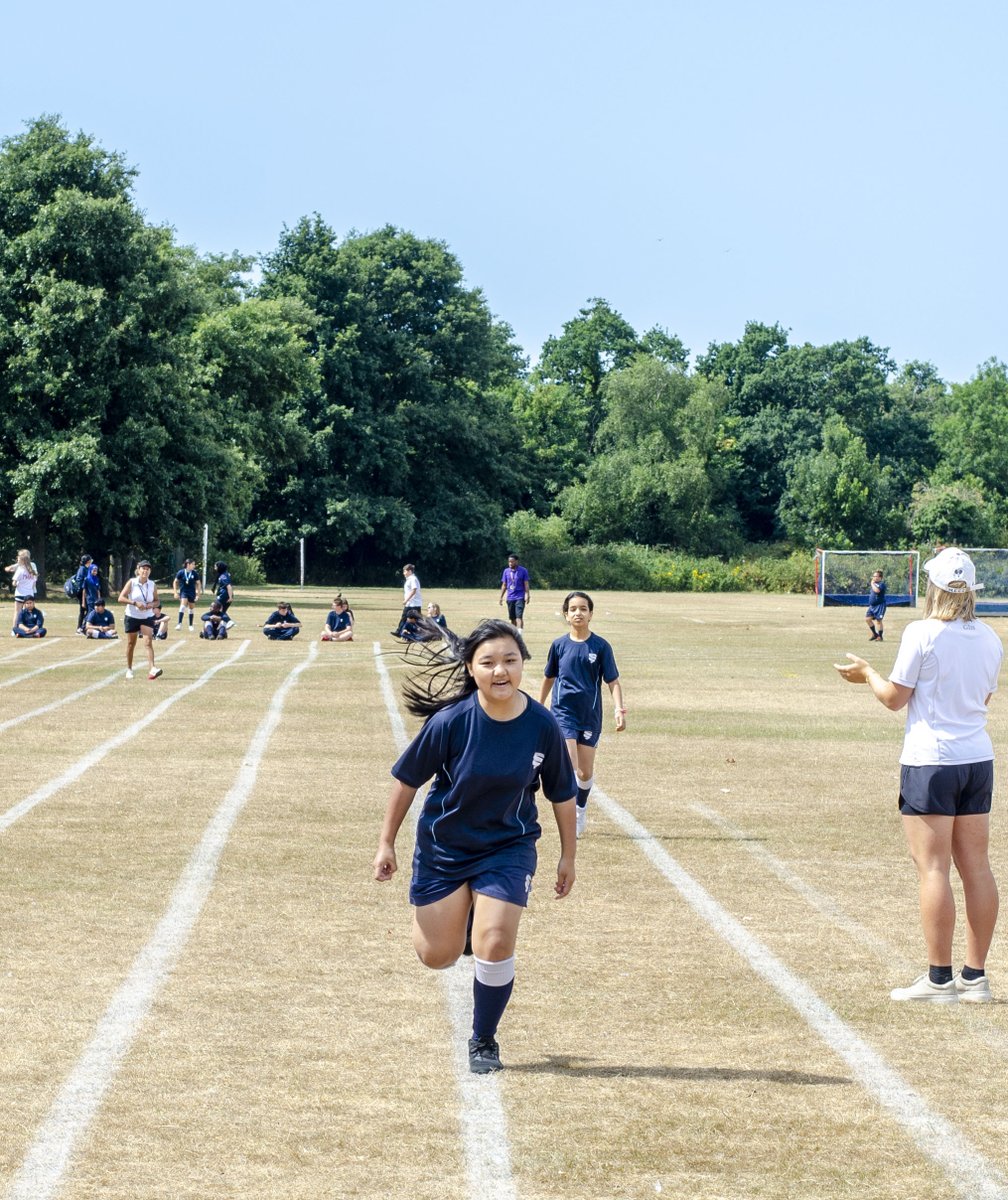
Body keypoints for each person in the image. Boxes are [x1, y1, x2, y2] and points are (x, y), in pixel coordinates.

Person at [373, 618, 577, 1074]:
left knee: (497, 940)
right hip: (445, 847)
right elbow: (407, 781)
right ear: (471, 667)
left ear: (523, 663)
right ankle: (463, 924)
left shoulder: (543, 725)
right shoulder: (451, 721)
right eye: (488, 662)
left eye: (510, 660)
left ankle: (484, 1039)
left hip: (509, 845)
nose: (500, 670)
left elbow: (561, 793)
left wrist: (568, 855)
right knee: (437, 956)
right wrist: (386, 843)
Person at [835, 547, 1003, 1003]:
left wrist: (867, 673)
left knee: (933, 869)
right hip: (976, 759)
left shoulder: (921, 633)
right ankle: (975, 977)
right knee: (977, 869)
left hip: (931, 762)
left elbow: (894, 698)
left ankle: (939, 978)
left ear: (933, 589)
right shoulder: (991, 638)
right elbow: (980, 702)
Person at [539, 591, 626, 838]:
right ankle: (569, 820)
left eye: (583, 608)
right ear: (566, 615)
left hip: (589, 717)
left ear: (590, 614)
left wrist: (619, 709)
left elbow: (613, 681)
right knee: (570, 765)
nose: (578, 612)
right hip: (563, 713)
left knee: (584, 773)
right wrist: (538, 705)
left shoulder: (600, 646)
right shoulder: (558, 645)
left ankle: (580, 808)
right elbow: (549, 677)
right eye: (573, 609)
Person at [117, 559, 163, 681]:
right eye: (143, 569)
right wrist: (134, 603)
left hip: (147, 616)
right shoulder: (132, 582)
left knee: (148, 642)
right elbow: (120, 598)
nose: (145, 571)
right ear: (138, 570)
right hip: (132, 616)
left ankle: (152, 668)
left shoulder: (152, 584)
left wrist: (152, 604)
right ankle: (129, 669)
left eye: (148, 569)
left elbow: (157, 600)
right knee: (131, 643)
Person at [7, 549, 37, 632]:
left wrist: (16, 584)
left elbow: (14, 582)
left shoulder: (20, 569)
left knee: (17, 612)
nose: (17, 559)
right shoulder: (33, 569)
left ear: (22, 560)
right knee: (27, 612)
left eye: (19, 558)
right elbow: (34, 581)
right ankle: (26, 629)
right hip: (29, 594)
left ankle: (14, 630)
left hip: (20, 593)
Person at [498, 553, 531, 631]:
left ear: (516, 562)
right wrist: (501, 597)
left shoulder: (523, 570)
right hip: (510, 597)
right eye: (509, 562)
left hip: (520, 597)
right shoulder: (506, 571)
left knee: (519, 617)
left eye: (512, 562)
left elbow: (526, 584)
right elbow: (504, 585)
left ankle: (519, 635)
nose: (510, 563)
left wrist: (527, 595)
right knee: (512, 619)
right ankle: (514, 634)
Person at [391, 564, 422, 638]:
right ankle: (399, 632)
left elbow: (414, 590)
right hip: (409, 604)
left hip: (414, 604)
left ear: (410, 571)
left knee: (416, 621)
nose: (403, 573)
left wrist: (406, 600)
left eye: (405, 571)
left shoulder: (413, 579)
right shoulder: (409, 579)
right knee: (404, 617)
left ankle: (422, 634)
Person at [173, 557, 202, 632]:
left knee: (191, 608)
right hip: (184, 592)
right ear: (188, 564)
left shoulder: (194, 573)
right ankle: (179, 624)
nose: (194, 566)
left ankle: (191, 625)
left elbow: (198, 583)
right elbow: (175, 582)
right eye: (193, 564)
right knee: (183, 605)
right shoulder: (181, 572)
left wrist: (198, 594)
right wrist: (175, 592)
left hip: (192, 593)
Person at [73, 555, 93, 634]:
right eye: (90, 560)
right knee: (84, 610)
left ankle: (81, 627)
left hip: (86, 592)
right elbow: (80, 581)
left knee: (85, 610)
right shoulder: (82, 569)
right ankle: (80, 628)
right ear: (88, 561)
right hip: (82, 593)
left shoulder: (86, 568)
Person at [211, 561, 235, 629]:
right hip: (224, 595)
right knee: (222, 611)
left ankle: (229, 621)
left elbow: (229, 586)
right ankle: (224, 625)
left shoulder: (223, 576)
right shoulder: (223, 574)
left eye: (215, 566)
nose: (214, 568)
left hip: (224, 595)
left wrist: (230, 597)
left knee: (216, 608)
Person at [866, 569, 887, 642]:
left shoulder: (881, 584)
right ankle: (875, 634)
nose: (874, 578)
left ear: (880, 577)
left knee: (878, 621)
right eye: (874, 576)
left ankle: (880, 636)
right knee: (868, 619)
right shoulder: (874, 584)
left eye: (876, 576)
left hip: (880, 605)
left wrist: (872, 584)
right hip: (872, 606)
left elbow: (877, 590)